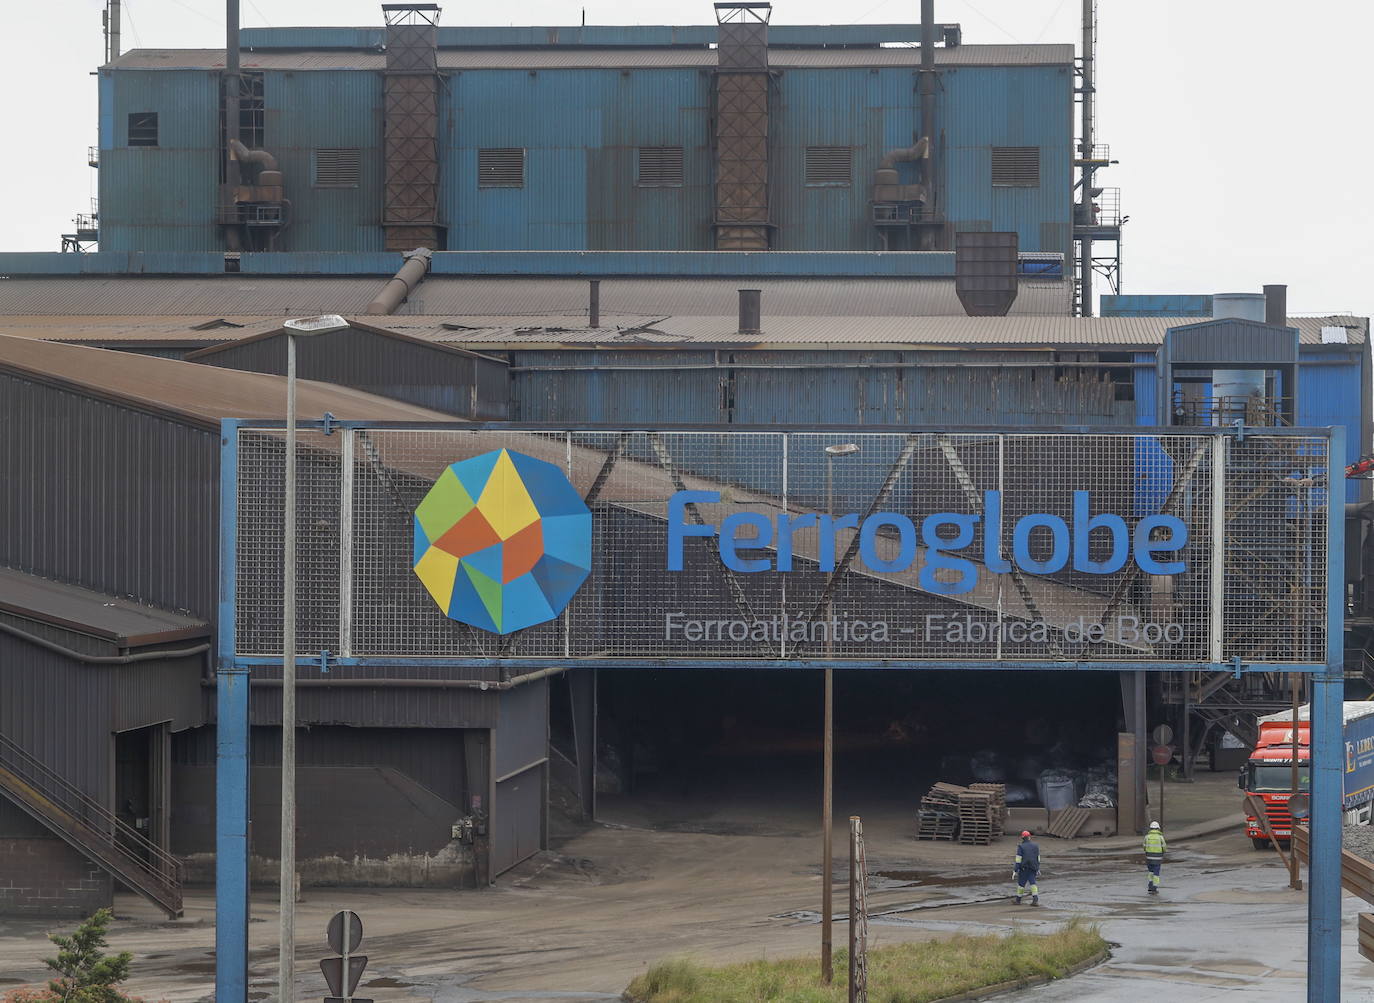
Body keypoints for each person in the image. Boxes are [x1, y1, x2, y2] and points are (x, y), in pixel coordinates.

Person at [1013, 830, 1040, 906]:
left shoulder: (1021, 847)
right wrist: (1037, 868)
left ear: (1022, 838)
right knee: (1033, 883)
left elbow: (1018, 859)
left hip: (1024, 868)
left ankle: (1018, 900)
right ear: (1029, 837)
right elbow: (1038, 858)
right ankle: (1035, 900)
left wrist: (1015, 869)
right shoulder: (1035, 846)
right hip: (1033, 868)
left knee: (1021, 884)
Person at [1144, 820, 1167, 895]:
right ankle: (1154, 887)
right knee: (1156, 873)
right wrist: (1163, 852)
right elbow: (1164, 847)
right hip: (1157, 858)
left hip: (1149, 857)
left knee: (1151, 872)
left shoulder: (1147, 837)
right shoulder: (1160, 837)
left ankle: (1150, 885)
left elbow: (1144, 846)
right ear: (1158, 828)